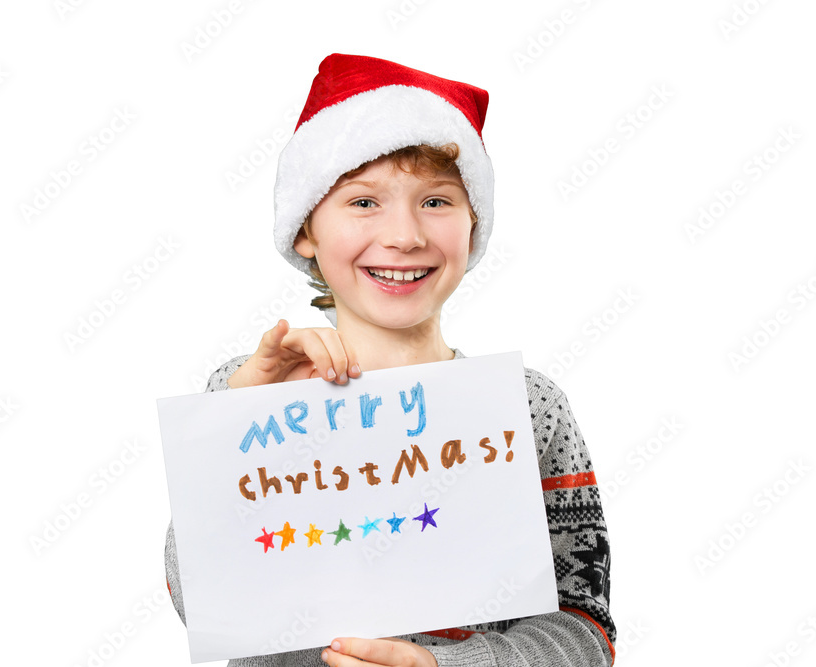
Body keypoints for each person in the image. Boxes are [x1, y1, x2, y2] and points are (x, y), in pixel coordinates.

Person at [165, 53, 615, 666]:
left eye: (436, 201)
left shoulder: (527, 408)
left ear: (473, 222)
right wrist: (237, 424)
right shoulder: (247, 393)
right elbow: (199, 602)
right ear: (305, 229)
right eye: (363, 203)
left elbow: (585, 630)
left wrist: (447, 665)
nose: (405, 235)